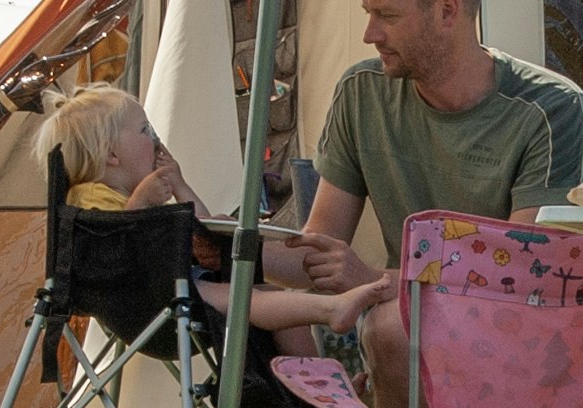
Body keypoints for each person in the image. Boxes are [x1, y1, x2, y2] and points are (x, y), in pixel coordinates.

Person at [286, 0, 583, 408]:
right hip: (405, 320)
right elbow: (316, 247)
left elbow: (516, 277)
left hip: (519, 337)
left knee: (389, 327)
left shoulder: (549, 108)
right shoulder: (361, 92)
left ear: (447, 11)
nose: (370, 34)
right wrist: (210, 247)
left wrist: (373, 280)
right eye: (368, 13)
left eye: (386, 15)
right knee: (246, 304)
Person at [38, 83, 382, 343]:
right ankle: (331, 310)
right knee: (241, 297)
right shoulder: (88, 198)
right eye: (146, 131)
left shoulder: (123, 194)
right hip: (154, 302)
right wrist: (140, 202)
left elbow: (202, 234)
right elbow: (115, 251)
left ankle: (319, 388)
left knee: (267, 296)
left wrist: (181, 186)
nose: (157, 139)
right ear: (111, 155)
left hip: (179, 288)